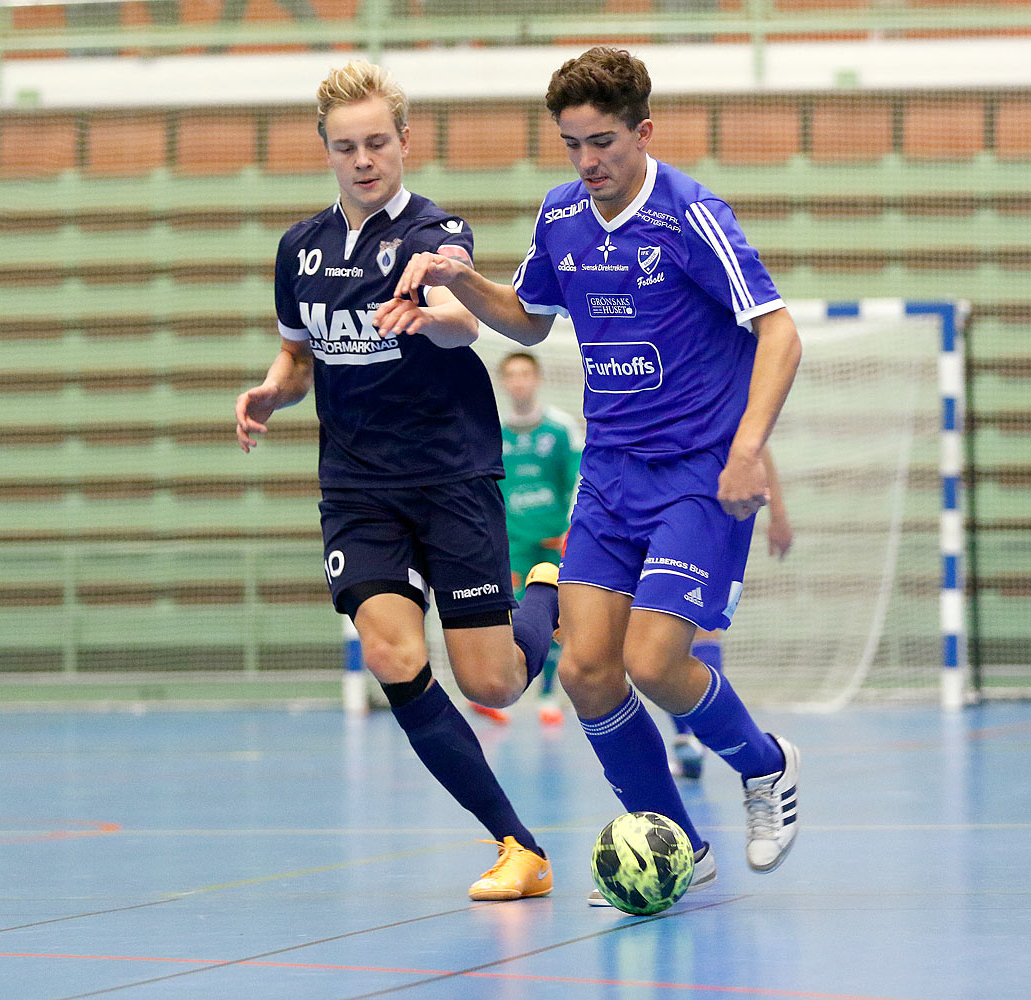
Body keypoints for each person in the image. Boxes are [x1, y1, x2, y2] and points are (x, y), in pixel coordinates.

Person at [383, 46, 804, 904]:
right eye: (572, 145)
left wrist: (750, 447)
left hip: (696, 473)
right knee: (583, 672)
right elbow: (531, 321)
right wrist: (465, 285)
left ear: (643, 131)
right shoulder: (561, 216)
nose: (588, 163)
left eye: (603, 142)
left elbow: (780, 332)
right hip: (611, 475)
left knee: (654, 663)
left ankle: (766, 766)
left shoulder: (690, 215)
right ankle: (680, 843)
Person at [234, 61, 560, 902]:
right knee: (391, 650)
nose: (364, 159)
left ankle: (549, 586)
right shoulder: (298, 250)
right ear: (327, 151)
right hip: (357, 487)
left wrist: (441, 306)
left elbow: (459, 327)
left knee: (491, 681)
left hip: (451, 474)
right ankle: (518, 847)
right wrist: (273, 391)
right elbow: (298, 355)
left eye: (378, 141)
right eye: (346, 146)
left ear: (404, 142)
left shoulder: (433, 232)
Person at [669, 446, 791, 780]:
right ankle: (690, 741)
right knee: (659, 637)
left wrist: (777, 513)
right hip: (662, 500)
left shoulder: (728, 402)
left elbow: (758, 445)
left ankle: (696, 738)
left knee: (698, 627)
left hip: (713, 504)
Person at [496, 351, 583, 726]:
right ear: (504, 382)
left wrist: (570, 529)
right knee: (509, 616)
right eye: (511, 375)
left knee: (553, 616)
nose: (519, 382)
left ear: (537, 379)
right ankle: (507, 689)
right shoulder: (491, 431)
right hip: (511, 541)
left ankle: (549, 695)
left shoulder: (560, 429)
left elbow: (578, 481)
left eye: (525, 374)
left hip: (551, 540)